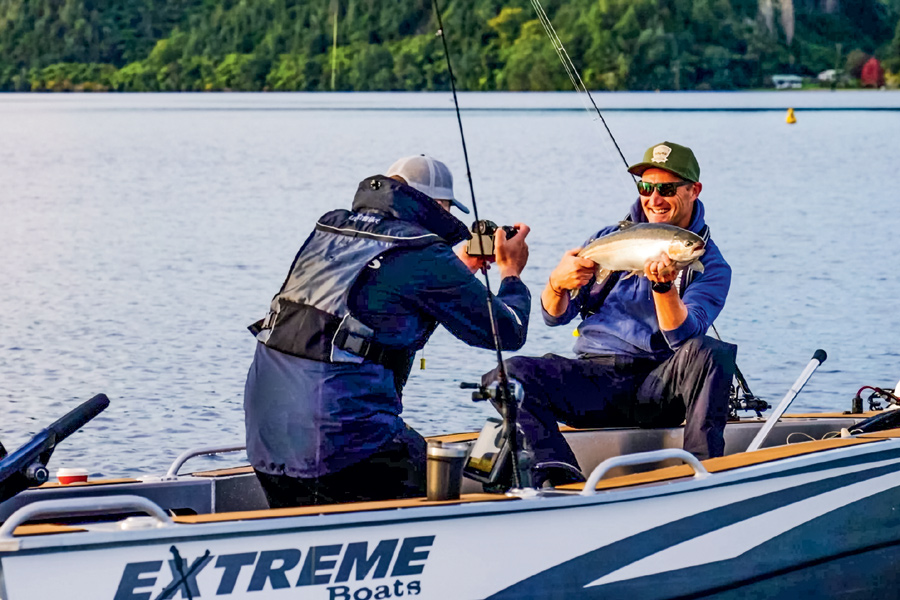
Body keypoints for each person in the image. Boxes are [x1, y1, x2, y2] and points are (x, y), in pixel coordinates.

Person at [244, 154, 531, 507]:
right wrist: (510, 272)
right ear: (438, 204)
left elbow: (382, 300)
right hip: (345, 442)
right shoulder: (422, 251)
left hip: (266, 439)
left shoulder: (331, 230)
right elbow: (507, 332)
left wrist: (461, 268)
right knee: (452, 487)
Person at [483, 141, 736, 487]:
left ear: (694, 191)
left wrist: (663, 287)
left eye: (666, 189)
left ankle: (701, 476)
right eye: (646, 188)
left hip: (659, 385)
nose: (654, 199)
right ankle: (557, 474)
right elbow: (555, 316)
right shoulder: (608, 239)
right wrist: (556, 284)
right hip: (595, 378)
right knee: (506, 375)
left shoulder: (711, 265)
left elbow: (682, 336)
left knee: (712, 352)